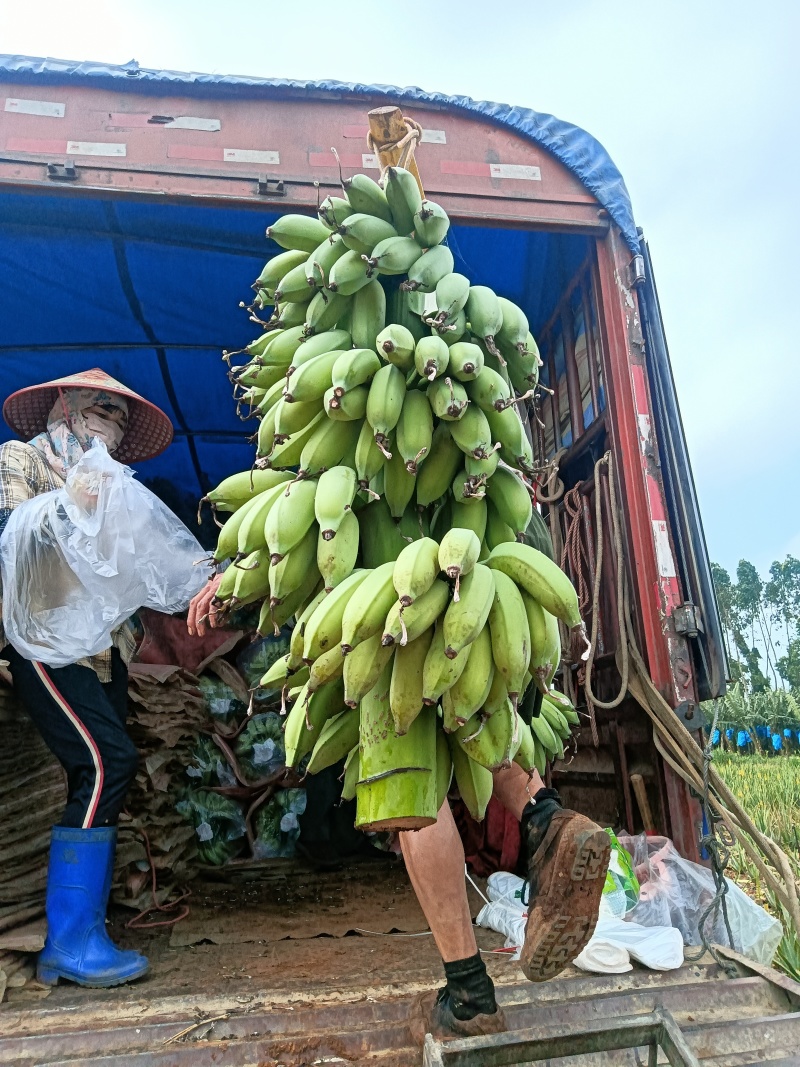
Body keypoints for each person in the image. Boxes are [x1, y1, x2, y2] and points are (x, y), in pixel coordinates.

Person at [188, 581, 611, 1038]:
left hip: (384, 596)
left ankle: (470, 993)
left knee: (408, 779)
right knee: (470, 707)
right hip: (467, 576)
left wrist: (237, 575)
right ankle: (547, 818)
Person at [0, 369, 173, 988]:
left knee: (100, 770)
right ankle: (71, 940)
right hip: (44, 642)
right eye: (100, 408)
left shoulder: (119, 488)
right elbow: (10, 537)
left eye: (121, 417)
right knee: (105, 765)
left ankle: (87, 928)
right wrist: (74, 505)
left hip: (102, 654)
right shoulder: (21, 459)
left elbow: (133, 574)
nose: (111, 420)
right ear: (64, 407)